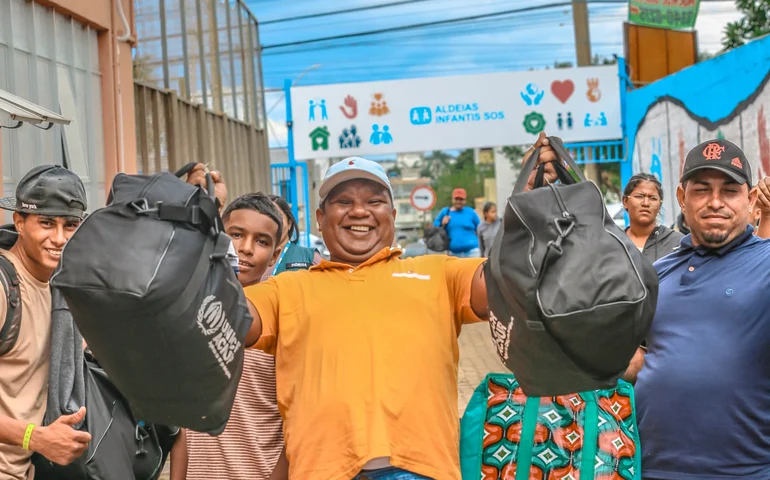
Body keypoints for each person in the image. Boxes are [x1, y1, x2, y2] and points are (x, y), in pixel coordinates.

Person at [237, 140, 558, 480]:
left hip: (420, 470)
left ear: (391, 216)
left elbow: (505, 280)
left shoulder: (439, 273)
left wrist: (529, 206)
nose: (359, 211)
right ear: (320, 218)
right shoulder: (286, 289)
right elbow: (231, 320)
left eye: (374, 202)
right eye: (343, 202)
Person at [628, 139, 770, 479]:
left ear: (750, 200)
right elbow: (639, 360)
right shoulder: (658, 273)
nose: (715, 202)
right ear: (682, 198)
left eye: (730, 191)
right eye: (702, 190)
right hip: (649, 469)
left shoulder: (765, 262)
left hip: (745, 472)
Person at [172, 193, 287, 480]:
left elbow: (296, 427)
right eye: (236, 235)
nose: (246, 248)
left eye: (262, 241)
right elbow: (181, 425)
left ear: (275, 254)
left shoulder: (283, 318)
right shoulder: (191, 311)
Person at [0, 166, 93, 479]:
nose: (59, 238)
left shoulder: (62, 289)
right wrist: (35, 437)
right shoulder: (4, 287)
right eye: (46, 223)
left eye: (70, 225)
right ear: (20, 222)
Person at [622, 173, 683, 263]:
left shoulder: (677, 243)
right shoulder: (614, 243)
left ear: (659, 206)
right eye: (639, 196)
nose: (646, 203)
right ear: (625, 201)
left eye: (653, 198)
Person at [262, 195, 321, 280]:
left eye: (277, 218)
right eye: (265, 219)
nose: (272, 224)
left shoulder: (310, 258)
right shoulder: (249, 257)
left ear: (289, 223)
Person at [434, 188, 481, 258]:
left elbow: (480, 228)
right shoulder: (446, 212)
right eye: (456, 199)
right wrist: (442, 223)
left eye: (461, 199)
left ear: (465, 200)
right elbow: (435, 226)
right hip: (453, 253)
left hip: (472, 252)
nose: (458, 201)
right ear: (452, 200)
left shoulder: (471, 212)